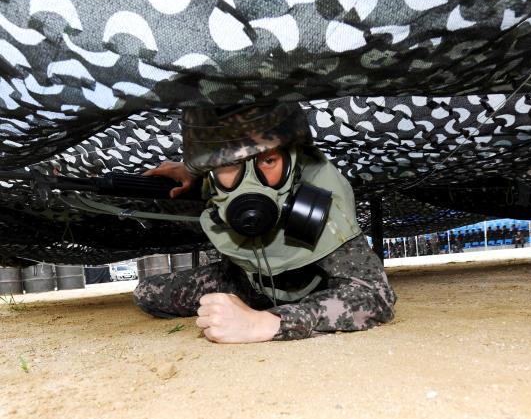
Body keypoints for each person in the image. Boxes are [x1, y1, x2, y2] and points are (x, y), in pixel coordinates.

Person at [133, 104, 396, 343]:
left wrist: (268, 323)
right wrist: (192, 173)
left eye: (268, 160)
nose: (250, 184)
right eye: (228, 163)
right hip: (246, 281)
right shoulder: (212, 180)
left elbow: (375, 295)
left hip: (313, 285)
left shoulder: (322, 197)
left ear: (293, 158)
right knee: (148, 293)